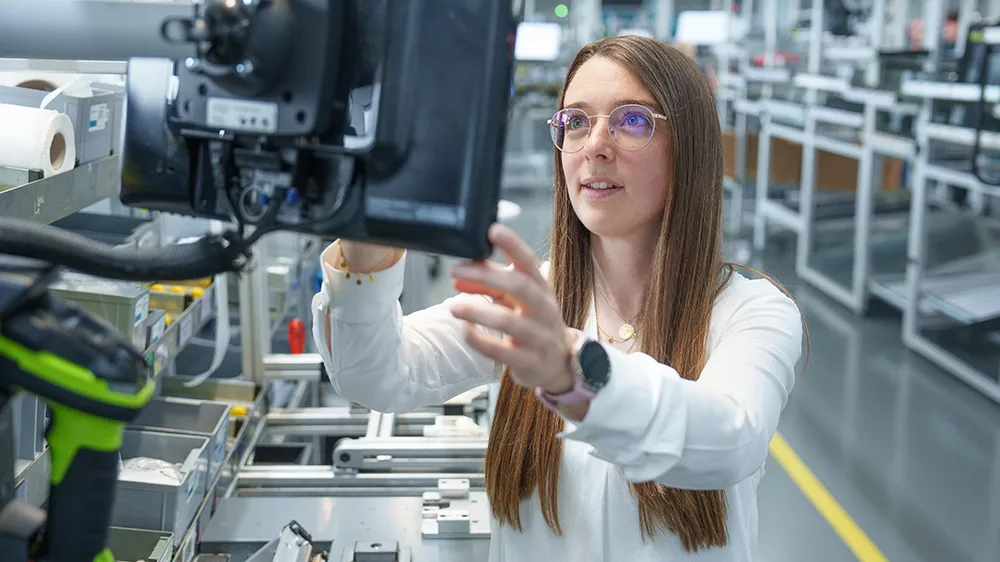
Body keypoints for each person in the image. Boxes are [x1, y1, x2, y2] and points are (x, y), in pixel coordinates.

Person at [312, 35, 805, 562]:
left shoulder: (751, 312)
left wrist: (572, 373)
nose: (595, 144)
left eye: (631, 120)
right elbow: (379, 377)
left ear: (690, 148)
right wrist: (363, 251)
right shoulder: (529, 302)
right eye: (575, 121)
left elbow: (731, 439)